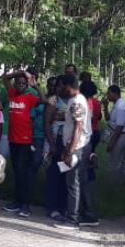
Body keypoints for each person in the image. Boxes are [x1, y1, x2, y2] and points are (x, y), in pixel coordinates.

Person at [53, 73, 95, 230]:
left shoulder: (76, 102)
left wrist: (70, 151)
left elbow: (78, 127)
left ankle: (72, 219)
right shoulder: (78, 99)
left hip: (78, 147)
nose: (59, 89)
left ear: (67, 86)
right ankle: (90, 215)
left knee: (73, 183)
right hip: (81, 145)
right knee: (81, 182)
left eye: (61, 86)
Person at [1, 68, 42, 217]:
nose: (20, 85)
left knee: (23, 173)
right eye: (18, 83)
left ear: (27, 86)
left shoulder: (29, 97)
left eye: (23, 84)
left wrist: (34, 84)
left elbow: (43, 100)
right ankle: (17, 201)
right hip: (13, 140)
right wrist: (19, 73)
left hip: (25, 141)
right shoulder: (11, 94)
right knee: (17, 172)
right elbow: (5, 79)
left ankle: (25, 205)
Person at [43, 75, 67, 220]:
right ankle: (52, 207)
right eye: (59, 86)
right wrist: (52, 144)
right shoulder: (53, 101)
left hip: (68, 142)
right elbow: (47, 123)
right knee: (54, 175)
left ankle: (62, 206)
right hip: (56, 141)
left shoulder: (71, 100)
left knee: (65, 176)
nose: (61, 89)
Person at [80, 79, 101, 182]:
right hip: (95, 131)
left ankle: (87, 178)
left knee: (84, 158)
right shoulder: (97, 102)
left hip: (87, 133)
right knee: (90, 153)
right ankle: (90, 176)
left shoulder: (86, 102)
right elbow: (99, 116)